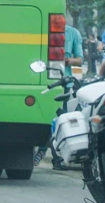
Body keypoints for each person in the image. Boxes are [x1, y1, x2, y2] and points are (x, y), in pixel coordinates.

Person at [34, 21, 85, 169]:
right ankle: (43, 151)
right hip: (44, 84)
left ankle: (54, 156)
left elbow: (80, 59)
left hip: (64, 85)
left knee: (60, 121)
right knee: (45, 120)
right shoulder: (43, 29)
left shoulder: (73, 33)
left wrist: (68, 61)